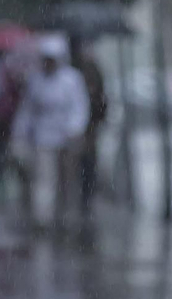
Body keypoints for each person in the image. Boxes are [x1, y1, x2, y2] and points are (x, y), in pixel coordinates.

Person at [12, 34, 90, 233]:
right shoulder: (36, 80)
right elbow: (27, 110)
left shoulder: (72, 80)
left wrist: (75, 130)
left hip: (66, 138)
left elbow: (79, 107)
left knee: (67, 180)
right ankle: (43, 219)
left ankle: (65, 216)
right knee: (44, 178)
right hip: (43, 138)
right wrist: (20, 134)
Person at [70, 36, 109, 212]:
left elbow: (101, 98)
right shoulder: (74, 70)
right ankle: (82, 192)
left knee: (88, 159)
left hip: (90, 124)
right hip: (79, 124)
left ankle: (87, 193)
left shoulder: (92, 69)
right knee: (79, 160)